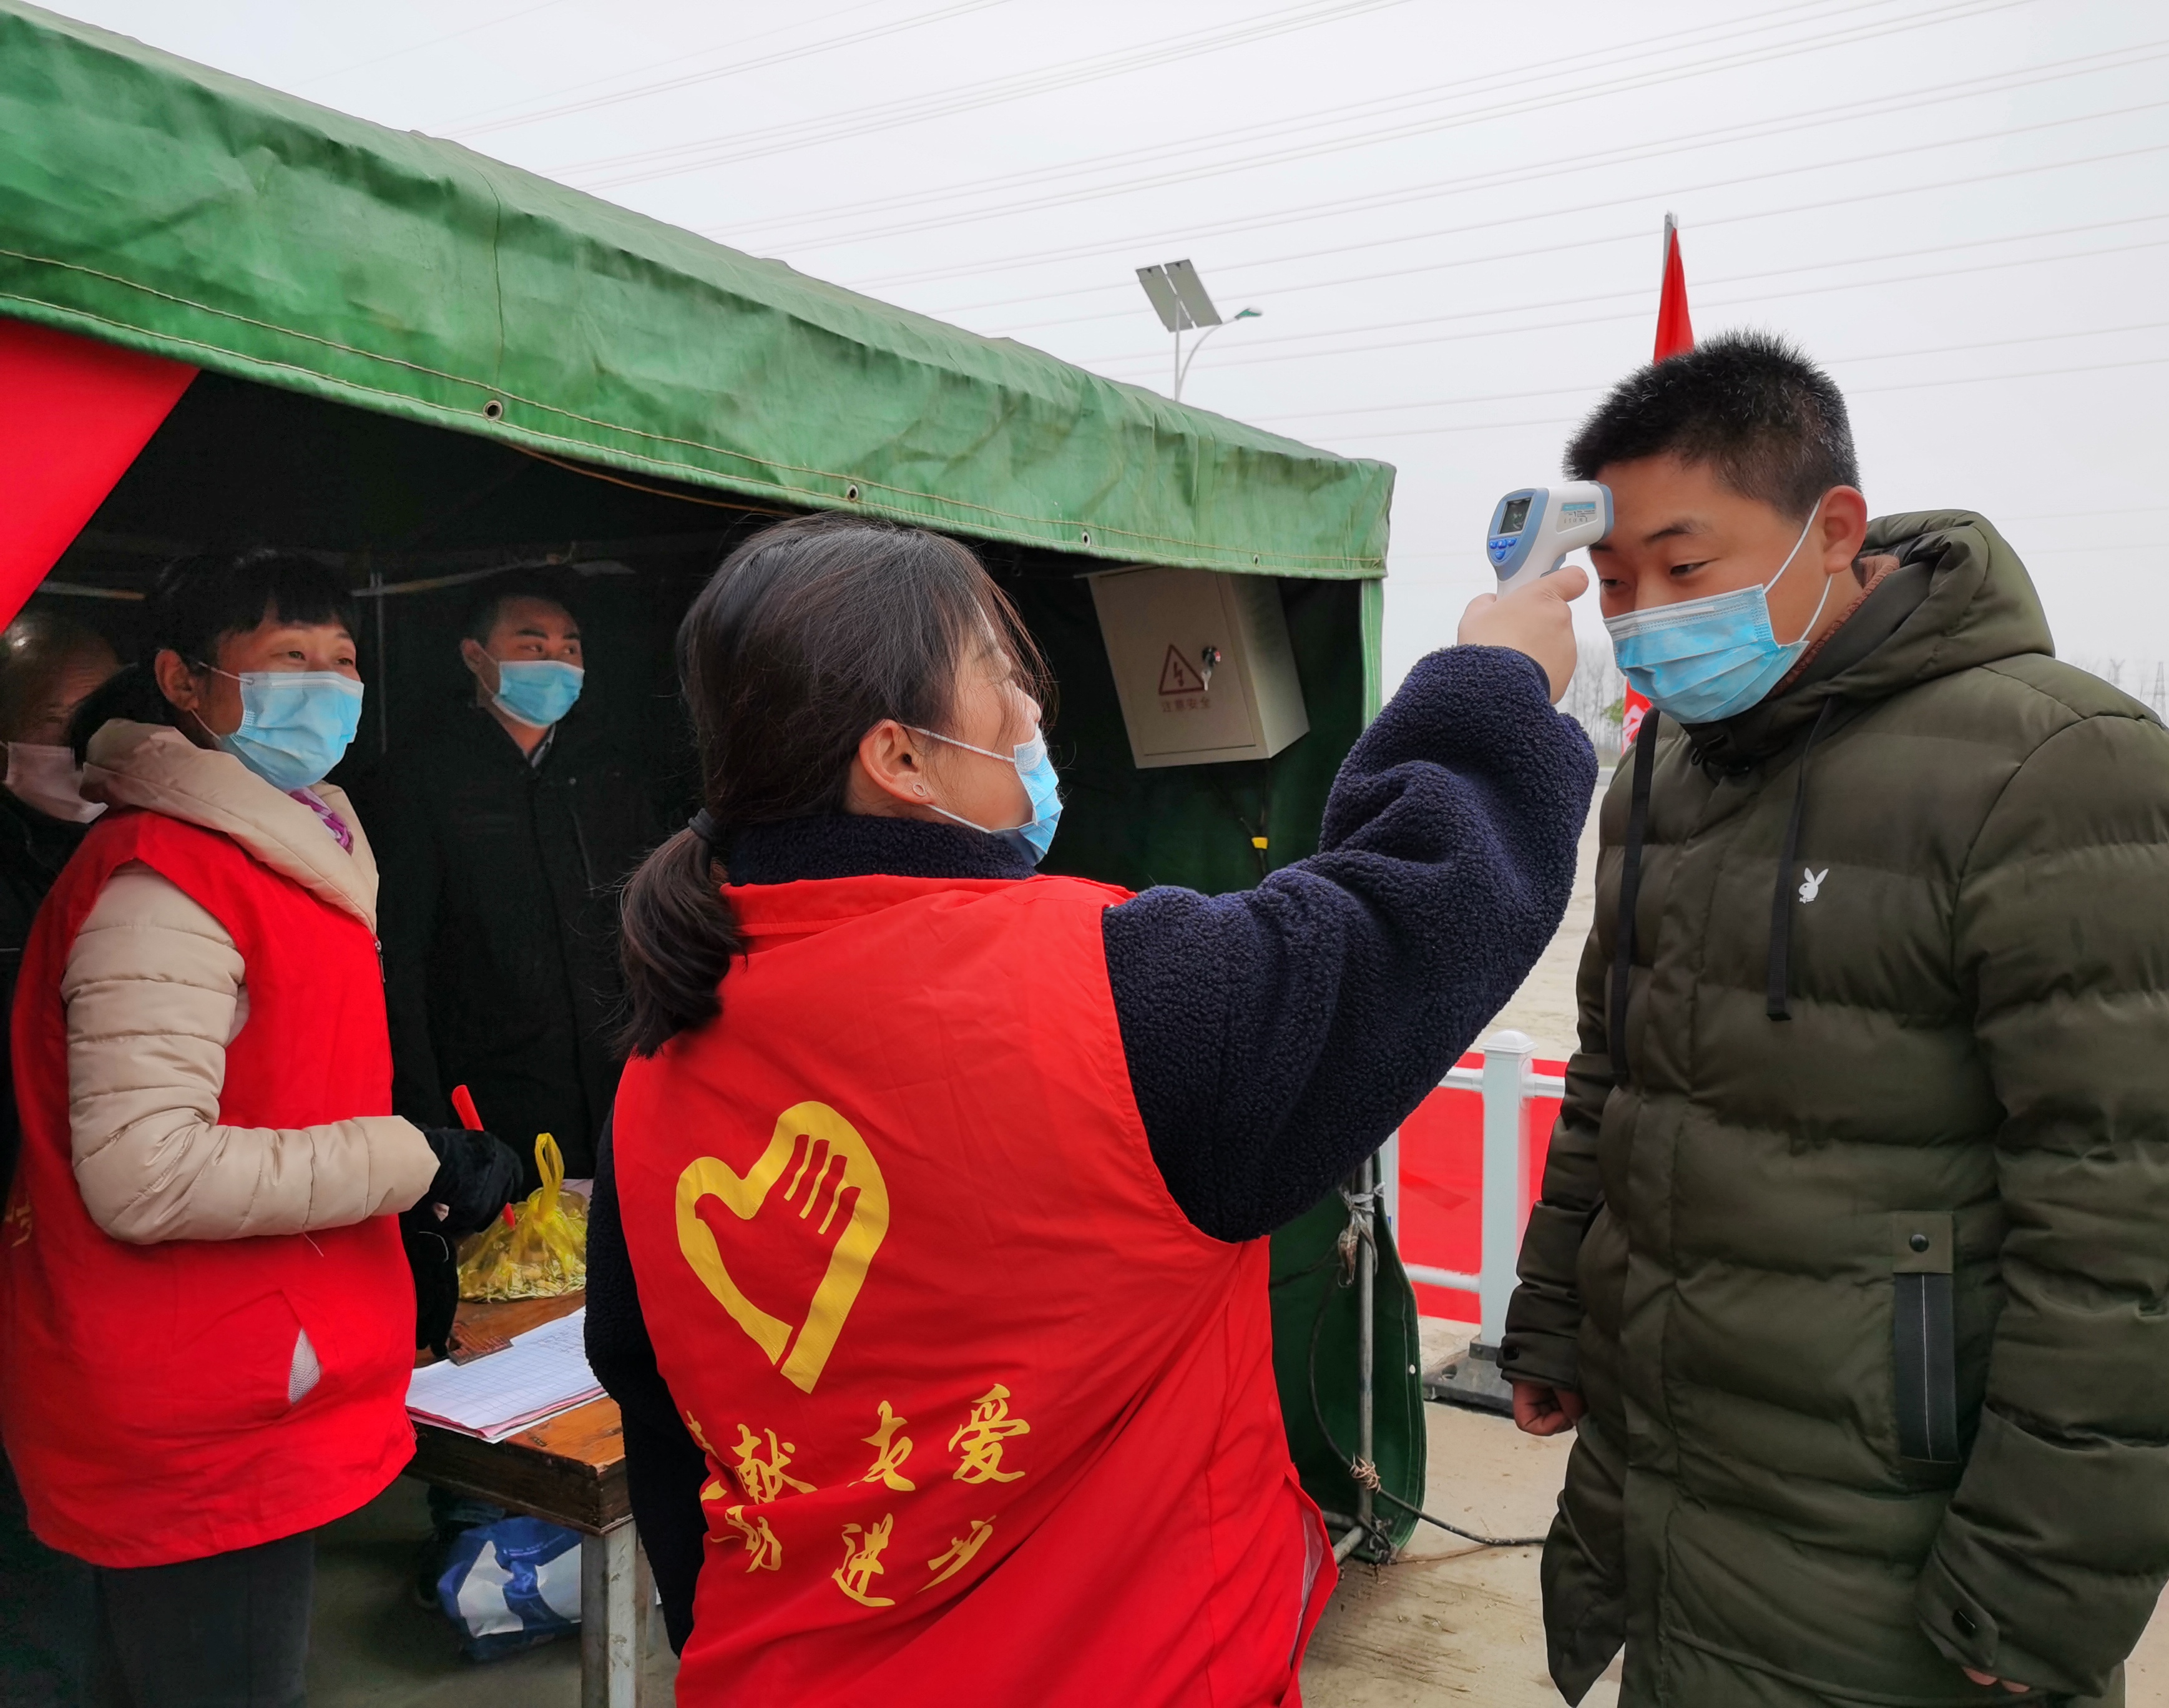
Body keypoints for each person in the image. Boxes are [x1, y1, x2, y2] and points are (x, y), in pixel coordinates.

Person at [584, 514, 1600, 1704]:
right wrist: (1493, 685)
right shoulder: (1116, 995)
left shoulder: (659, 1064)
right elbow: (1415, 913)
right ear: (898, 758)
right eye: (999, 677)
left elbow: (661, 1433)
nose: (1032, 714)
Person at [1498, 333, 2169, 1707]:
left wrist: (2039, 1579)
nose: (1644, 617)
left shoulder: (2050, 761)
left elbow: (2137, 1223)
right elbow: (1617, 1079)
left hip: (1896, 1526)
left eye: (1685, 566)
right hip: (1668, 1487)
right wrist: (1550, 1317)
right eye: (1613, 584)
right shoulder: (1664, 766)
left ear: (1834, 531)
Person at [0, 551, 510, 1708]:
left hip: (250, 1367)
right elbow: (146, 1171)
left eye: (343, 660)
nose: (326, 685)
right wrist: (409, 1157)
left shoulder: (286, 850)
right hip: (195, 1403)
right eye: (288, 658)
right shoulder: (166, 879)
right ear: (184, 681)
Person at [368, 580, 661, 1179]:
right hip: (489, 1100)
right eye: (533, 647)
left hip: (616, 1085)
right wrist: (429, 1120)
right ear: (475, 656)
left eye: (569, 649)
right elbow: (402, 959)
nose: (556, 664)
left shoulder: (609, 774)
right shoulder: (421, 779)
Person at [0, 611, 117, 1708]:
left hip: (121, 1240)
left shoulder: (151, 853)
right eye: (55, 722)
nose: (80, 747)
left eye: (101, 717)